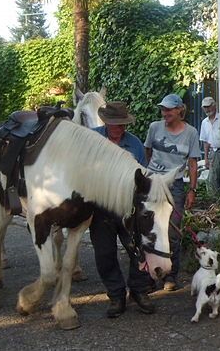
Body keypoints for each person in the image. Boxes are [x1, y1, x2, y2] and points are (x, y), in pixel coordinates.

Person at [89, 101, 155, 318]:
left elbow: (144, 176)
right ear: (106, 122)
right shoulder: (93, 139)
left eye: (122, 124)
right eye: (115, 124)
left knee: (140, 249)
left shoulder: (134, 144)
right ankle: (116, 295)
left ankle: (139, 291)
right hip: (102, 206)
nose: (119, 128)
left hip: (129, 206)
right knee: (105, 253)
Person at [144, 93, 201, 291]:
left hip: (175, 185)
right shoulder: (154, 127)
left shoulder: (191, 133)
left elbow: (193, 164)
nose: (165, 112)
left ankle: (171, 276)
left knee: (172, 231)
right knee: (149, 229)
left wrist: (192, 190)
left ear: (179, 110)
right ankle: (150, 276)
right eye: (163, 109)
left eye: (169, 109)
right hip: (153, 182)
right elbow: (148, 152)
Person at [199, 96, 220, 195]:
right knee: (212, 178)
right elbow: (205, 142)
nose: (207, 109)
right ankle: (214, 201)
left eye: (208, 106)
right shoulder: (204, 122)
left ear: (214, 106)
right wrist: (206, 158)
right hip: (213, 152)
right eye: (205, 107)